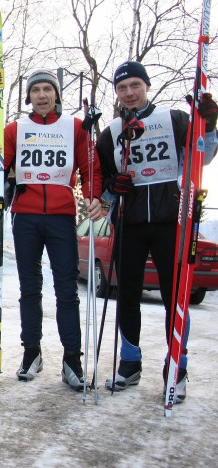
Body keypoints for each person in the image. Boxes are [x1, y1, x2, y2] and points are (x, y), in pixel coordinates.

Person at [96, 61, 218, 401]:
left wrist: (207, 124)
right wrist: (112, 187)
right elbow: (104, 185)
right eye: (122, 88)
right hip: (130, 224)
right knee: (128, 295)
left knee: (174, 297)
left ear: (146, 86)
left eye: (135, 85)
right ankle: (130, 362)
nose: (130, 93)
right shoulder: (112, 132)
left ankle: (177, 365)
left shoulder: (175, 118)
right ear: (117, 93)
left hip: (169, 222)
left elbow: (203, 156)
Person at [0, 69, 103, 391]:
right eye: (35, 90)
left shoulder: (75, 127)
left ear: (56, 95)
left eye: (47, 89)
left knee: (66, 289)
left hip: (62, 216)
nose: (41, 95)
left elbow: (91, 169)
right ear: (29, 97)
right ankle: (31, 352)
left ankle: (72, 358)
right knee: (29, 288)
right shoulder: (14, 129)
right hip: (25, 216)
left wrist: (93, 197)